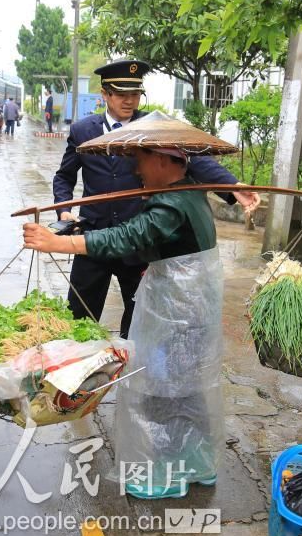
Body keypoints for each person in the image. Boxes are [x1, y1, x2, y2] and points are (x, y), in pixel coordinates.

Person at [24, 116, 232, 499]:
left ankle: (163, 473)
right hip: (184, 308)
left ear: (163, 160)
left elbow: (129, 237)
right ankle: (196, 463)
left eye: (139, 158)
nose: (135, 167)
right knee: (186, 390)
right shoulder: (188, 192)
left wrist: (62, 244)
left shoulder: (172, 204)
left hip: (177, 315)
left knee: (161, 391)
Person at [52, 59, 260, 337]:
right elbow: (64, 177)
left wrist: (232, 185)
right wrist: (64, 209)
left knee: (139, 318)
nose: (130, 102)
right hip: (94, 236)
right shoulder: (82, 131)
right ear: (105, 94)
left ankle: (130, 370)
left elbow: (194, 160)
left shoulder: (153, 127)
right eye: (122, 95)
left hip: (138, 241)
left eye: (135, 95)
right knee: (77, 317)